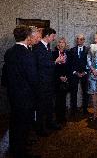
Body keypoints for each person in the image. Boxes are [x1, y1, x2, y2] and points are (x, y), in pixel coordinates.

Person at [3, 26, 38, 157]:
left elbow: (5, 74)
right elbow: (33, 78)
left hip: (12, 94)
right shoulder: (28, 54)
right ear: (28, 37)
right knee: (23, 124)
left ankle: (14, 148)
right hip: (25, 96)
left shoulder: (9, 52)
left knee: (14, 122)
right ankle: (21, 152)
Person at [33, 27, 64, 136]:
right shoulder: (38, 47)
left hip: (49, 81)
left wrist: (57, 62)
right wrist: (55, 62)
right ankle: (40, 129)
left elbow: (47, 62)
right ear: (47, 35)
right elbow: (41, 64)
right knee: (41, 106)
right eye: (52, 36)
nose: (54, 38)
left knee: (50, 104)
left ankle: (50, 123)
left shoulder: (47, 47)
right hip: (42, 82)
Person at [69, 34, 89, 116]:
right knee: (73, 92)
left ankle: (85, 110)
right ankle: (73, 110)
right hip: (74, 74)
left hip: (85, 74)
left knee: (85, 92)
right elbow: (70, 63)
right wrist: (75, 72)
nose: (79, 41)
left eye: (81, 39)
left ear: (84, 40)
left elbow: (90, 62)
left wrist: (85, 72)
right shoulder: (72, 50)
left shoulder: (88, 50)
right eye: (77, 39)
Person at [52, 37, 69, 125]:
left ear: (65, 44)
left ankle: (63, 118)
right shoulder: (53, 53)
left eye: (63, 42)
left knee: (63, 99)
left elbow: (69, 67)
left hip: (65, 80)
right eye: (60, 42)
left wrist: (66, 77)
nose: (61, 44)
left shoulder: (68, 54)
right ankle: (57, 118)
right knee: (57, 100)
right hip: (56, 80)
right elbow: (52, 68)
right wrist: (59, 77)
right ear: (57, 44)